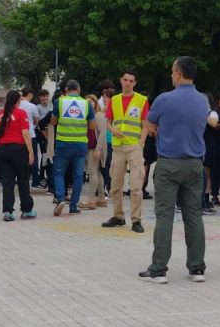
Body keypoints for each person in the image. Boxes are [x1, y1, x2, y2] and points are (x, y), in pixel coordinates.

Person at [138, 56, 208, 284]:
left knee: (165, 215)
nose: (171, 75)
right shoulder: (203, 100)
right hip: (195, 164)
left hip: (169, 163)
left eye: (172, 71)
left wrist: (161, 131)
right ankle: (197, 268)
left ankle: (158, 269)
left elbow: (150, 125)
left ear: (178, 73)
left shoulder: (164, 99)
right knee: (194, 215)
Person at [102, 70, 149, 232]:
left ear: (135, 83)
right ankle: (118, 216)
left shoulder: (142, 100)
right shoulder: (114, 100)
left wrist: (141, 144)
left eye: (131, 80)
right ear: (121, 81)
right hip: (118, 147)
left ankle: (136, 220)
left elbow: (145, 125)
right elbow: (108, 122)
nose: (128, 83)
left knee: (136, 185)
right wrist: (112, 130)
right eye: (125, 80)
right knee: (115, 184)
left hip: (134, 147)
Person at [51, 80, 96, 216]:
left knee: (59, 173)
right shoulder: (87, 104)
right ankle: (73, 206)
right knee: (78, 176)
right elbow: (93, 126)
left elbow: (53, 122)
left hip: (63, 143)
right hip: (80, 145)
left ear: (66, 89)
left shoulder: (59, 102)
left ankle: (60, 199)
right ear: (79, 89)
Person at [0, 90, 37, 221]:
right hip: (18, 150)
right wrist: (31, 153)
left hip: (2, 150)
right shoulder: (21, 113)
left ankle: (7, 211)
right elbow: (25, 133)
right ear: (18, 101)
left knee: (7, 182)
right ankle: (27, 210)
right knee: (23, 180)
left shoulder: (0, 112)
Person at [80, 94, 108, 210]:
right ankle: (101, 198)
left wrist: (98, 148)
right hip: (90, 148)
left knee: (92, 172)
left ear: (96, 104)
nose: (89, 104)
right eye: (86, 102)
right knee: (97, 172)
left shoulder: (98, 115)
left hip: (95, 148)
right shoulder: (88, 117)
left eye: (91, 102)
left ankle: (91, 199)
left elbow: (103, 133)